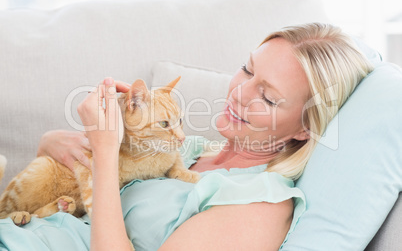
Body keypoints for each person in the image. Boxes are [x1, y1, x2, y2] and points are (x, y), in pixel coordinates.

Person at [37, 23, 373, 250]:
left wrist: (105, 152)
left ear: (305, 128)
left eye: (268, 97)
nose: (239, 93)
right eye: (248, 69)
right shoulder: (191, 149)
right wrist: (52, 143)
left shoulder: (259, 205)